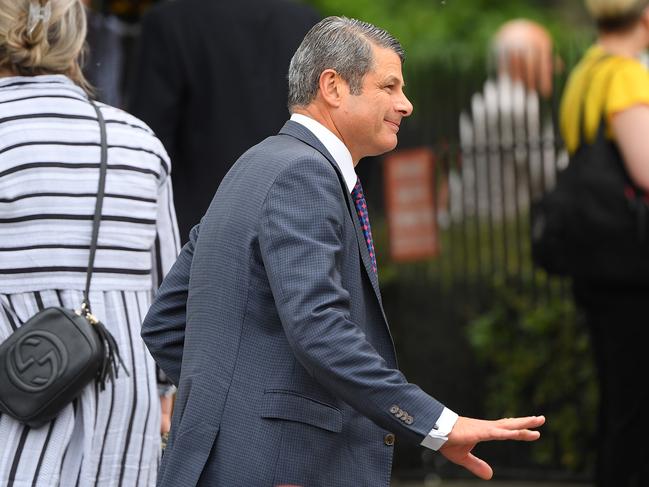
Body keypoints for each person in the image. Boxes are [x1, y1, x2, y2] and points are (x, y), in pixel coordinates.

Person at [141, 16, 545, 486]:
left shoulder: (255, 164)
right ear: (333, 86)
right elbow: (319, 328)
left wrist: (236, 406)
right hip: (284, 468)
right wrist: (439, 425)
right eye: (389, 87)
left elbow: (166, 321)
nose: (406, 104)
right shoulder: (303, 175)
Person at [0, 0, 180, 485]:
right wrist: (165, 393)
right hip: (123, 431)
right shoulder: (139, 144)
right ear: (77, 39)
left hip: (14, 421)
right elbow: (170, 304)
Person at [128, 0, 320, 243]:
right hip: (293, 224)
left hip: (196, 230)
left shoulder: (171, 20)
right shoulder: (306, 22)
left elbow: (148, 140)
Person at [559, 1, 649, 485]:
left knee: (618, 398)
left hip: (593, 256)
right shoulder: (627, 76)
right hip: (630, 263)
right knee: (634, 407)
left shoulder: (585, 72)